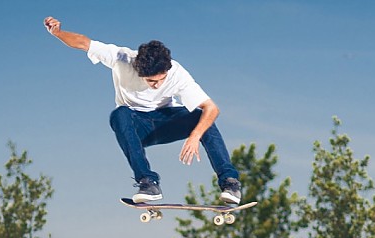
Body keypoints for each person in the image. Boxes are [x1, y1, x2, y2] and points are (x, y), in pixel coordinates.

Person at [43, 16, 242, 205]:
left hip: (165, 122)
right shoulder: (122, 58)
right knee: (119, 114)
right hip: (136, 126)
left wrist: (195, 136)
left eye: (160, 80)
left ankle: (230, 182)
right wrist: (58, 33)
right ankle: (148, 182)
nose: (155, 85)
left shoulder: (177, 73)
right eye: (150, 81)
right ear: (139, 69)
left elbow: (211, 108)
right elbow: (83, 43)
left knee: (202, 118)